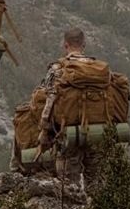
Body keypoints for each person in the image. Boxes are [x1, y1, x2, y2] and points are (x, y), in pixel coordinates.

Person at [38, 27, 103, 195]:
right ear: (84, 44)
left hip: (68, 134)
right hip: (96, 132)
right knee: (96, 184)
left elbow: (50, 101)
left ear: (65, 45)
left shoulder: (58, 68)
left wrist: (45, 131)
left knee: (69, 185)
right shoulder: (97, 69)